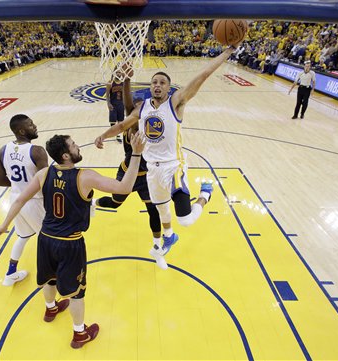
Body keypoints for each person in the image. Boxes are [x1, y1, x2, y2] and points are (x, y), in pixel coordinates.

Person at [0, 132, 145, 349]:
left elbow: (19, 199)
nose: (78, 147)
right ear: (65, 155)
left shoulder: (44, 174)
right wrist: (137, 154)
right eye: (74, 145)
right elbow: (125, 188)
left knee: (49, 279)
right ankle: (80, 334)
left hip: (45, 239)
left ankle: (50, 308)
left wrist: (5, 224)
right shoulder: (86, 176)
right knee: (77, 292)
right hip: (70, 243)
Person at [94, 46, 239, 259]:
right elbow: (122, 126)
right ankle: (169, 237)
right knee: (162, 211)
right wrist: (103, 136)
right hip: (152, 169)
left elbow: (203, 75)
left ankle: (205, 194)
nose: (157, 85)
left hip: (173, 166)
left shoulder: (176, 102)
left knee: (186, 220)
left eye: (162, 82)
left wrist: (227, 54)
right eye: (154, 82)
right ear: (150, 87)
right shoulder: (142, 108)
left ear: (169, 87)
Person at [93, 77, 165, 269]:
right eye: (136, 107)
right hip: (127, 173)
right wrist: (126, 80)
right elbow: (126, 101)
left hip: (146, 176)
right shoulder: (130, 122)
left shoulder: (153, 125)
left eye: (142, 106)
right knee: (115, 204)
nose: (139, 109)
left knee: (154, 210)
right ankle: (92, 203)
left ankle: (158, 248)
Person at [0, 114, 48, 286]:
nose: (35, 126)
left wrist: (20, 185)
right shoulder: (37, 151)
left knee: (23, 236)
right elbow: (46, 182)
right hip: (35, 202)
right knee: (49, 240)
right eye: (31, 125)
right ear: (22, 130)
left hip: (16, 200)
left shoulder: (3, 150)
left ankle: (10, 273)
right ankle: (52, 279)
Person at [106, 70, 125, 143]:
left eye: (120, 72)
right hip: (113, 103)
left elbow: (125, 95)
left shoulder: (123, 83)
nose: (118, 74)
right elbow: (107, 95)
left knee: (120, 121)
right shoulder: (110, 83)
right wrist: (108, 103)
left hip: (121, 104)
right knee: (113, 121)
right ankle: (115, 134)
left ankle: (118, 135)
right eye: (117, 72)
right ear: (114, 73)